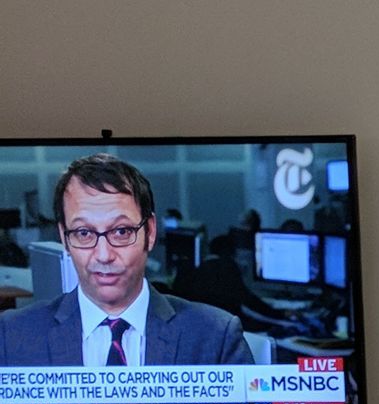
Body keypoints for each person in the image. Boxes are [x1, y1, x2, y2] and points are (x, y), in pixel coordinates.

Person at [0, 155, 253, 368]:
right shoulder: (12, 337)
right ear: (64, 238)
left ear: (150, 232)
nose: (103, 255)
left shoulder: (216, 337)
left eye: (121, 231)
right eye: (84, 233)